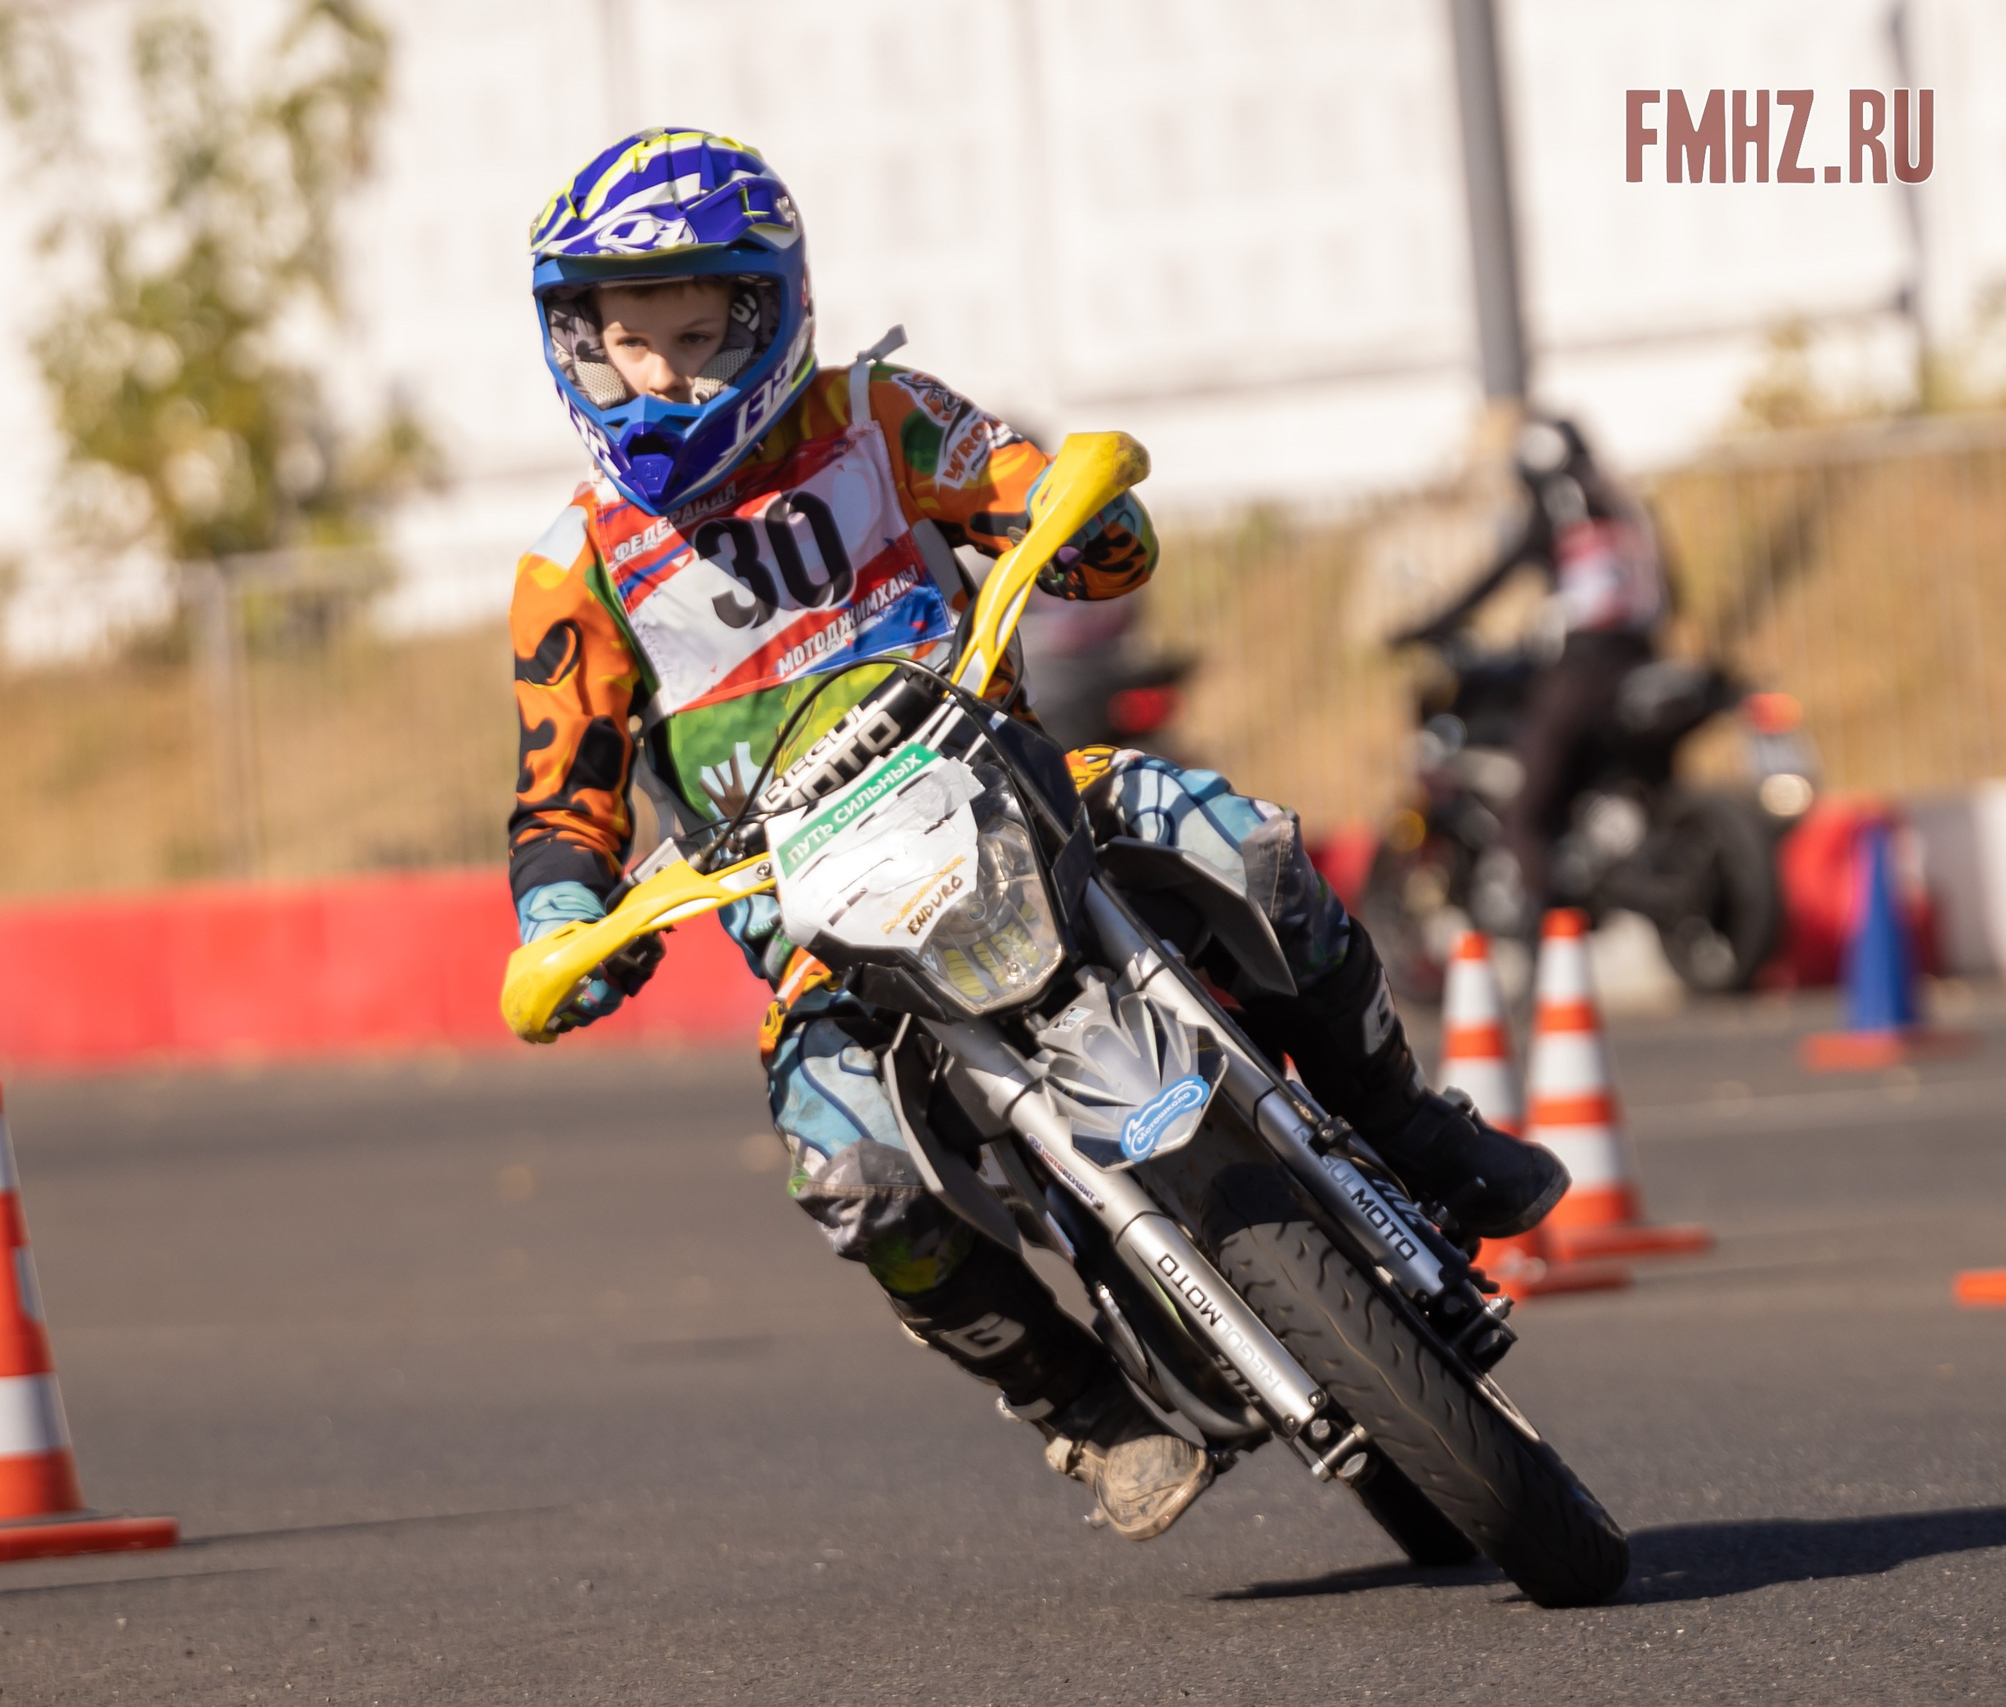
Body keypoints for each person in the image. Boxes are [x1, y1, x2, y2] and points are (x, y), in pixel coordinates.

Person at [506, 130, 1567, 1543]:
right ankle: (1082, 1404)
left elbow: (1053, 504)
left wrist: (1084, 517)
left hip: (1019, 786)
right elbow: (560, 793)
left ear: (769, 310)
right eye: (625, 344)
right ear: (574, 342)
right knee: (851, 1175)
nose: (661, 376)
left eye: (698, 333)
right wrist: (562, 920)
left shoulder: (880, 412)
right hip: (824, 928)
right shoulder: (572, 565)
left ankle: (1406, 1122)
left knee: (1245, 844)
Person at [1397, 415, 1675, 917]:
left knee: (1523, 809)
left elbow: (1495, 577)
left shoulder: (1559, 507)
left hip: (1587, 667)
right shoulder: (1626, 502)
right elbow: (1675, 590)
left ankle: (1539, 929)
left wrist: (1426, 625)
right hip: (1645, 657)